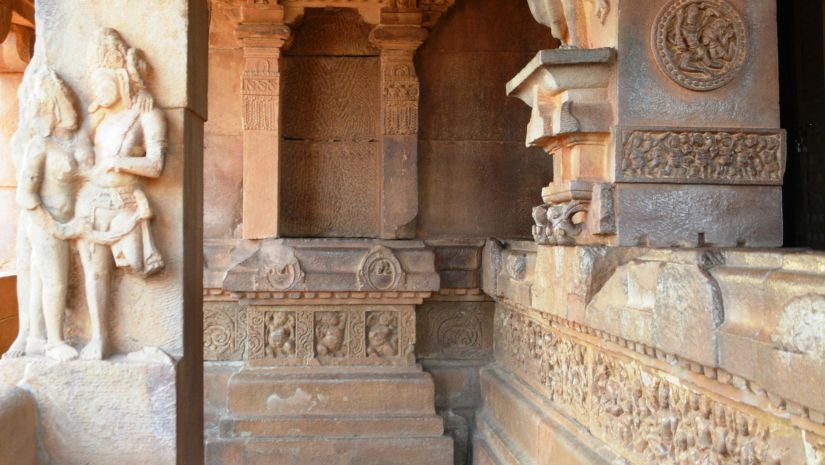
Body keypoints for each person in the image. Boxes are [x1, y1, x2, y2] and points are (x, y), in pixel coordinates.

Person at [74, 28, 167, 360]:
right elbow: (75, 145)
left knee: (140, 272)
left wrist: (119, 160)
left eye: (105, 83)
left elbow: (156, 165)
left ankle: (141, 336)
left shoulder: (147, 115)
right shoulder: (98, 120)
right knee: (94, 271)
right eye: (95, 83)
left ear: (121, 80)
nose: (98, 90)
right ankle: (100, 337)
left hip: (126, 203)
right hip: (94, 203)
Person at [4, 65, 91, 361]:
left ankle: (45, 336)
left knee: (53, 280)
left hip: (70, 221)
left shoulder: (73, 142)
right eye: (63, 101)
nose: (70, 107)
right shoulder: (39, 146)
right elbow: (26, 194)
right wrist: (52, 225)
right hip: (47, 223)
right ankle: (53, 340)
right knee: (53, 280)